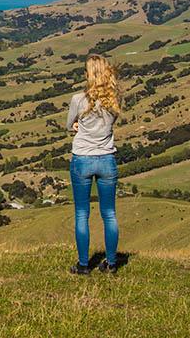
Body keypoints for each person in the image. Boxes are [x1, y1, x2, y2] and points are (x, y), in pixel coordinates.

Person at [66, 54, 120, 275]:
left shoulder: (78, 99)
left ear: (88, 74)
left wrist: (79, 125)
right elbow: (111, 123)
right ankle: (111, 263)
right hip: (107, 159)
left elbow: (69, 125)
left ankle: (83, 265)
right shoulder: (115, 99)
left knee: (81, 213)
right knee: (109, 214)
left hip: (82, 159)